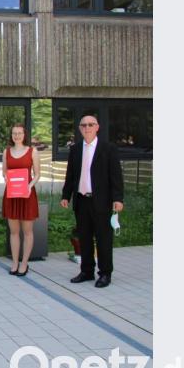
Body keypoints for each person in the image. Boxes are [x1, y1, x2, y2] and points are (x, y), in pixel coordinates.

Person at [61, 115, 124, 288]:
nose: (87, 128)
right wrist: (66, 195)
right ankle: (87, 271)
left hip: (102, 201)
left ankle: (105, 273)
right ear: (80, 128)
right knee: (85, 238)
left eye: (90, 124)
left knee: (104, 239)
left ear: (97, 127)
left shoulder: (108, 148)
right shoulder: (75, 149)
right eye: (84, 125)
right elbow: (70, 175)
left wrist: (118, 198)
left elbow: (116, 176)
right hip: (81, 200)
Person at [1, 124, 40, 276]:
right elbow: (5, 172)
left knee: (28, 232)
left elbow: (37, 174)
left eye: (19, 133)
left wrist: (29, 186)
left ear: (24, 135)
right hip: (12, 194)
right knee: (14, 232)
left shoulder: (32, 151)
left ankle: (24, 263)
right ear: (11, 135)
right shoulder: (6, 152)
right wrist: (6, 178)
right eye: (14, 133)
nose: (16, 136)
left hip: (27, 194)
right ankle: (15, 262)